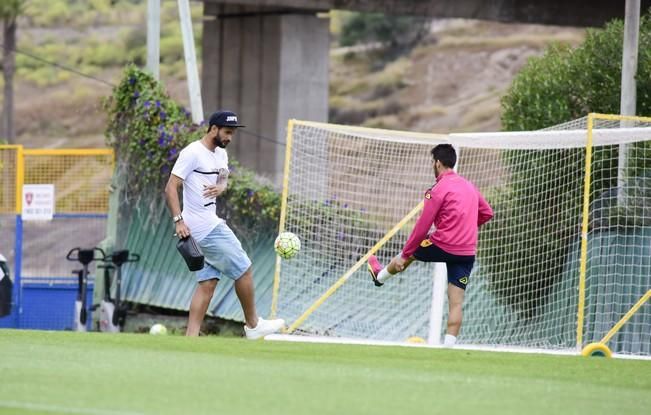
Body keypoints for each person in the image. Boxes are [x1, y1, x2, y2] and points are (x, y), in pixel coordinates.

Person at [165, 110, 285, 338]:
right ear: (213, 129)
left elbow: (223, 178)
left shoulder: (221, 154)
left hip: (205, 226)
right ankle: (253, 325)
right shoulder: (192, 152)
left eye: (232, 133)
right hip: (204, 228)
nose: (230, 137)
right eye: (227, 132)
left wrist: (222, 187)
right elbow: (170, 187)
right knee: (245, 268)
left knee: (207, 284)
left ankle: (190, 339)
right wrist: (178, 221)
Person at [367, 144, 493, 346]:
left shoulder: (437, 189)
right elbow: (487, 213)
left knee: (408, 253)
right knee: (456, 302)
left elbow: (422, 225)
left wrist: (406, 254)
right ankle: (448, 347)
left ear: (437, 163)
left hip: (442, 244)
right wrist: (465, 227)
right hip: (466, 251)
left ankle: (380, 276)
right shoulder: (470, 186)